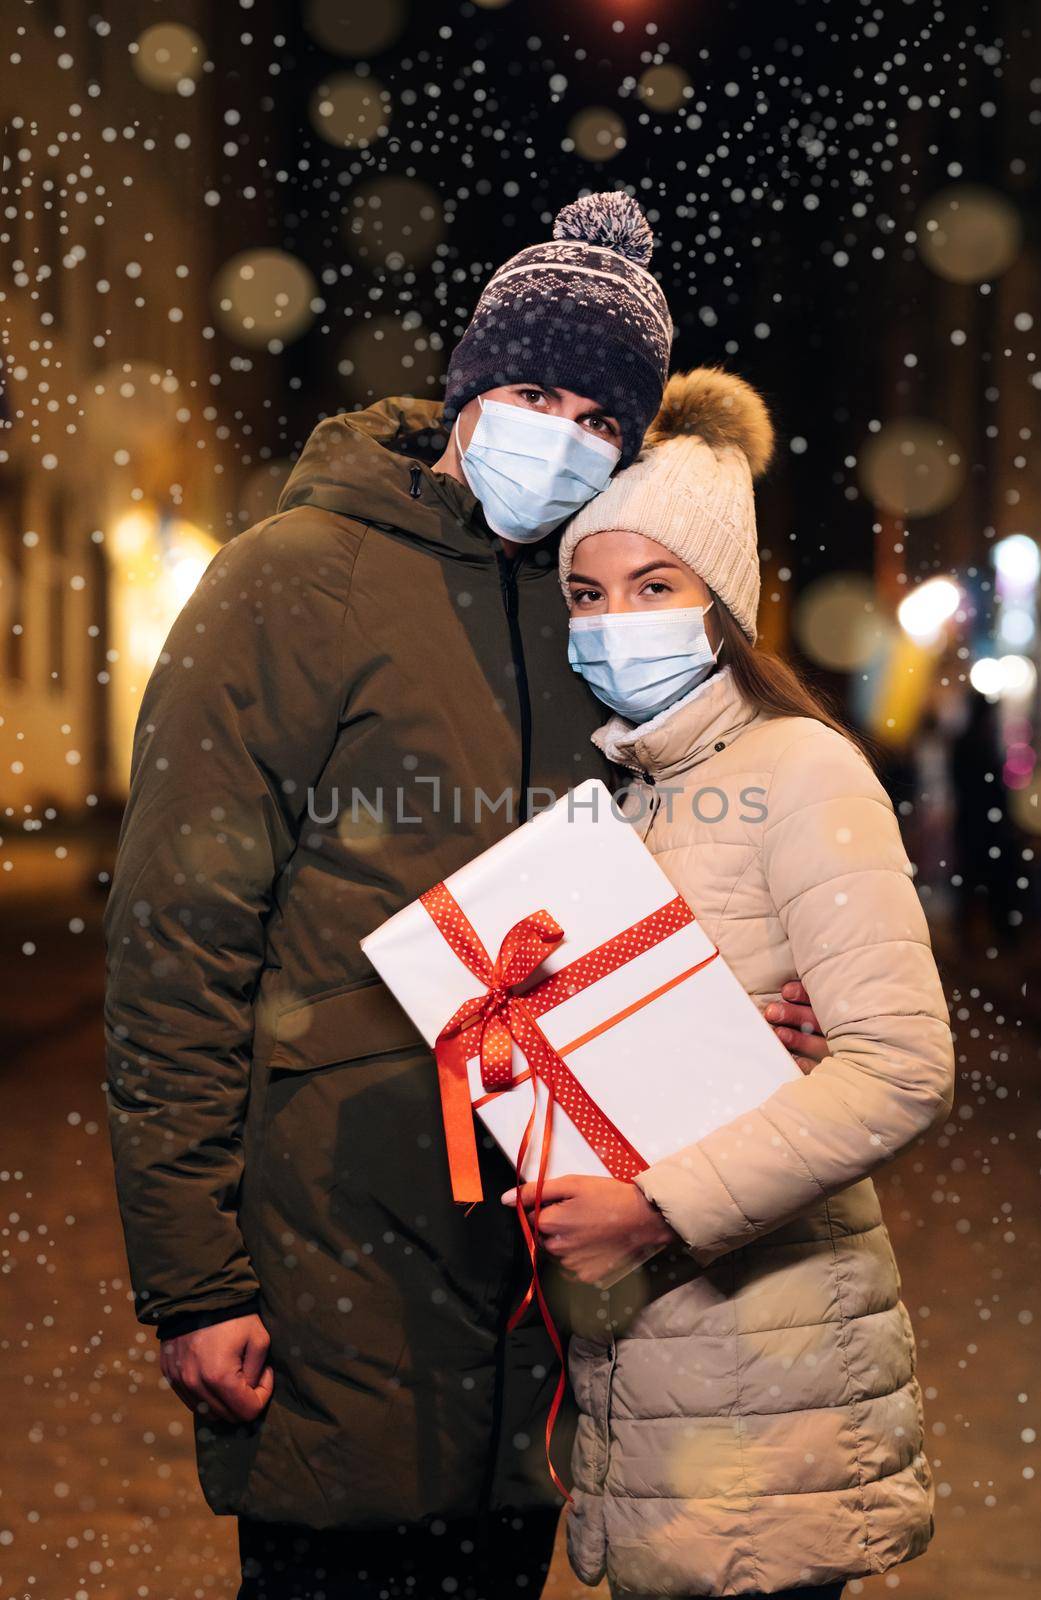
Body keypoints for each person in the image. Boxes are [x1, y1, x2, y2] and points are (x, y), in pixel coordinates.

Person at [102, 190, 828, 1600]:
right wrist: (194, 1280)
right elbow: (175, 950)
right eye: (531, 389)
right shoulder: (285, 584)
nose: (559, 434)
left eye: (600, 418)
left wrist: (743, 1022)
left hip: (542, 1262)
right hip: (333, 1241)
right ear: (464, 387)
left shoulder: (600, 614)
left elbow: (677, 861)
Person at [505, 366, 956, 1599]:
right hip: (663, 1385)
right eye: (587, 593)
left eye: (654, 586)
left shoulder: (802, 768)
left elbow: (901, 1062)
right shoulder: (626, 798)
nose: (614, 618)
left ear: (723, 603)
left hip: (770, 1384)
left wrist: (653, 1207)